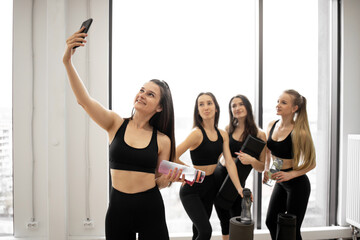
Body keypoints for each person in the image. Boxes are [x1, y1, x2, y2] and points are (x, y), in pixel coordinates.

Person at [63, 27, 182, 240]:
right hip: (118, 209)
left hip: (150, 209)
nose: (142, 95)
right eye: (142, 90)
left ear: (160, 107)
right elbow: (84, 100)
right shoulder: (115, 123)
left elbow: (160, 180)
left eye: (151, 94)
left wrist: (166, 180)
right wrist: (67, 62)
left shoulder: (162, 140)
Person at [175, 92, 244, 240]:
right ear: (198, 111)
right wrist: (189, 172)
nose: (206, 107)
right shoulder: (196, 134)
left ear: (216, 108)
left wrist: (239, 187)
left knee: (198, 233)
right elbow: (172, 156)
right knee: (206, 232)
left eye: (209, 103)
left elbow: (230, 162)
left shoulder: (222, 134)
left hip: (210, 186)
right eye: (201, 104)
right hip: (192, 189)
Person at [263, 89, 316, 240]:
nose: (278, 105)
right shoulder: (271, 125)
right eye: (278, 101)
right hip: (280, 182)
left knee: (292, 229)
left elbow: (312, 163)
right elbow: (268, 152)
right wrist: (268, 170)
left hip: (297, 184)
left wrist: (290, 174)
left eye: (283, 102)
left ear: (294, 108)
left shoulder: (300, 132)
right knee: (271, 221)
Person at [214, 95, 266, 240]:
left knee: (237, 219)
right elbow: (219, 155)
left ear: (248, 107)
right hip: (220, 175)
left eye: (240, 104)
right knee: (224, 221)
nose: (237, 108)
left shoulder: (259, 134)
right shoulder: (227, 129)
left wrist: (251, 160)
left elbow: (261, 167)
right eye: (233, 106)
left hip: (237, 181)